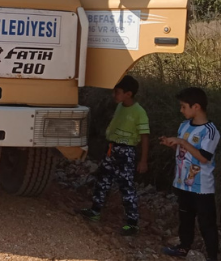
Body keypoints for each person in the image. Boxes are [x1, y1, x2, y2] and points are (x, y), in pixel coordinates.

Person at [78, 75, 150, 236]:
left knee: (126, 186)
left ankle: (132, 223)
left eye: (117, 92)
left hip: (126, 152)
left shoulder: (139, 112)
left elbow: (145, 137)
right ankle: (95, 210)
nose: (114, 95)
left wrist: (143, 160)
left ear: (128, 94)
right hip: (112, 148)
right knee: (102, 179)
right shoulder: (119, 107)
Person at [161, 87, 219, 261]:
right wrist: (173, 144)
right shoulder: (184, 126)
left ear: (196, 107)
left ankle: (212, 256)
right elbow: (183, 151)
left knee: (206, 223)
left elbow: (204, 157)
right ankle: (183, 247)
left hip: (202, 187)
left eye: (183, 106)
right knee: (185, 217)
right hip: (182, 182)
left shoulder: (210, 131)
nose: (181, 110)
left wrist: (182, 142)